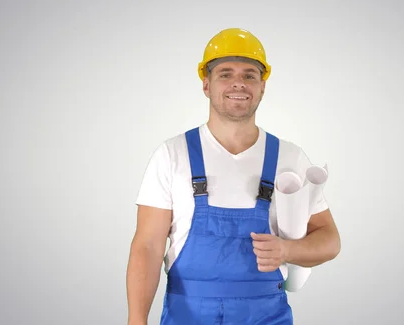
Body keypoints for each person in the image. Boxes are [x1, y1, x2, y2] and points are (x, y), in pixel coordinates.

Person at [126, 28, 341, 325]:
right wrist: (136, 321)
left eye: (250, 75)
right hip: (186, 315)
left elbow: (330, 240)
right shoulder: (172, 155)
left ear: (262, 87)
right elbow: (147, 247)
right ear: (206, 84)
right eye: (225, 74)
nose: (238, 83)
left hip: (266, 315)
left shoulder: (289, 157)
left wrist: (288, 250)